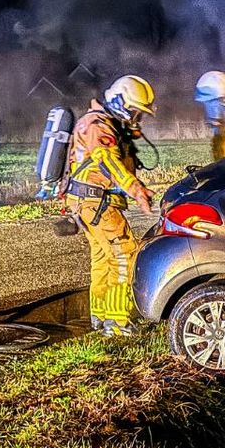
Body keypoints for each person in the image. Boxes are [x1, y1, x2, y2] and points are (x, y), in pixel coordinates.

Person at [64, 75, 156, 337]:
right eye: (135, 111)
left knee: (103, 257)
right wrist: (136, 190)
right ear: (120, 103)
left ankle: (101, 316)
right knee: (125, 253)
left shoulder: (100, 123)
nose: (137, 117)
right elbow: (108, 163)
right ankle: (116, 321)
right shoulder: (100, 127)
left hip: (88, 202)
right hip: (97, 202)